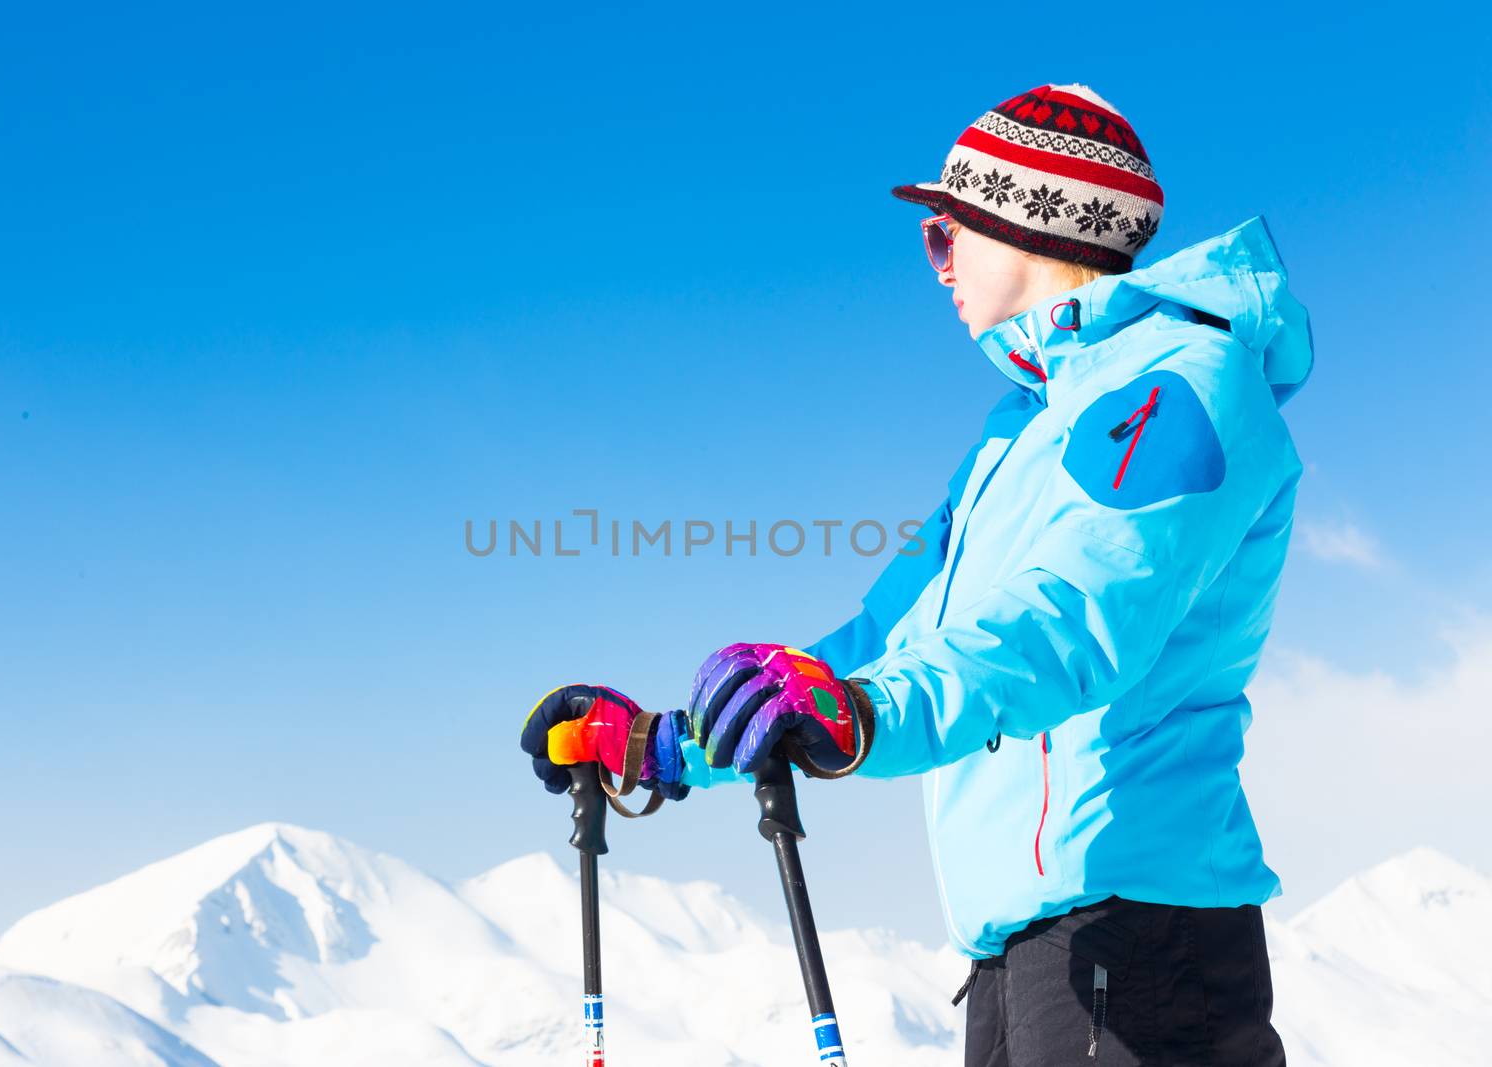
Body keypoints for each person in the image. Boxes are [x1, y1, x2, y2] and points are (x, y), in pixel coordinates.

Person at [522, 83, 1308, 1066]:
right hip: (1019, 956)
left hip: (1139, 937)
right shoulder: (1013, 438)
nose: (934, 266)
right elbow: (873, 649)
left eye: (945, 235)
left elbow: (1067, 618)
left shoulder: (1178, 383)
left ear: (1031, 222)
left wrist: (860, 716)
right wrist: (671, 742)